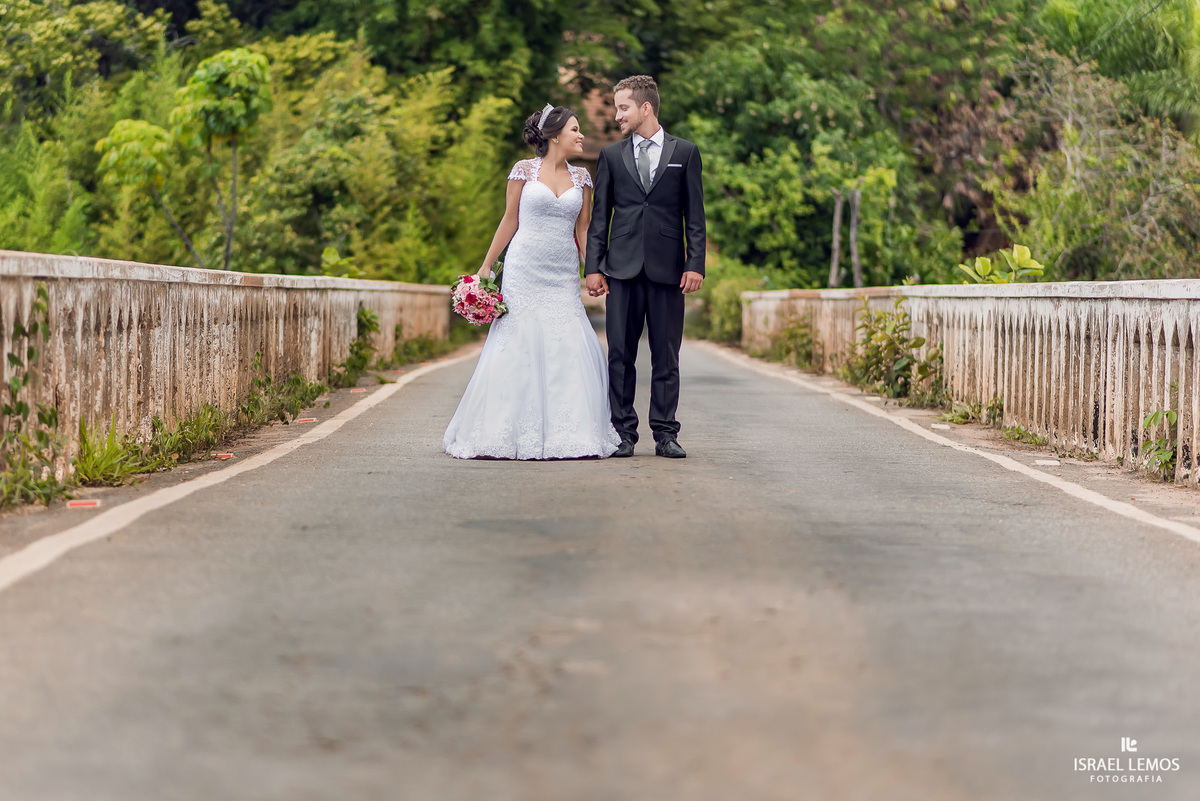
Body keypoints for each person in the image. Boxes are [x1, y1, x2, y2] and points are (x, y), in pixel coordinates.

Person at [443, 105, 622, 460]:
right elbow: (509, 220)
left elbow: (583, 230)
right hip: (524, 268)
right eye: (575, 129)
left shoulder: (583, 178)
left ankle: (570, 433)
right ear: (555, 135)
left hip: (561, 273)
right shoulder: (523, 171)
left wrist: (594, 270)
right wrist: (486, 266)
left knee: (566, 341)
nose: (581, 135)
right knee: (517, 342)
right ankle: (501, 431)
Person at [585, 75, 706, 459]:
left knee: (666, 356)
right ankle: (623, 433)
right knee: (620, 353)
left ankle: (666, 433)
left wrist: (695, 263)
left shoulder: (685, 152)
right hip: (620, 268)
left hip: (669, 270)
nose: (617, 114)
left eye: (623, 107)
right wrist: (594, 267)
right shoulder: (610, 156)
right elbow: (600, 217)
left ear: (645, 107)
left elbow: (695, 215)